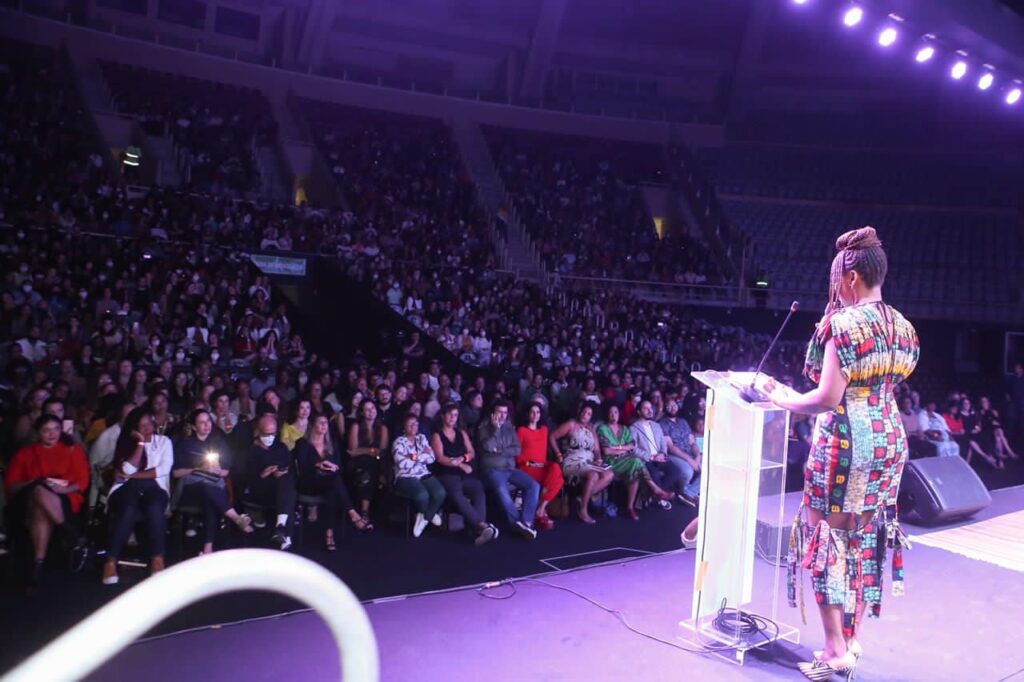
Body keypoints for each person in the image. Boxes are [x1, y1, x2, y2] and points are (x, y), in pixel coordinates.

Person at [765, 227, 919, 680]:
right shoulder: (904, 326)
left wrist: (782, 396)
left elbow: (826, 398)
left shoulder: (843, 325)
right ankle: (852, 638)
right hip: (889, 439)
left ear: (850, 277)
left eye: (837, 280)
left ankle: (834, 650)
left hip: (845, 445)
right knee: (862, 541)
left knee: (825, 542)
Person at [4, 415, 91, 585]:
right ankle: (70, 533)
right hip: (28, 498)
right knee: (38, 490)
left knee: (40, 511)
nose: (52, 434)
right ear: (38, 433)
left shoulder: (73, 449)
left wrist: (64, 489)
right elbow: (11, 486)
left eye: (56, 429)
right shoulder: (25, 453)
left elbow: (83, 481)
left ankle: (38, 565)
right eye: (46, 430)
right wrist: (33, 483)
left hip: (64, 496)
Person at [102, 407, 175, 585]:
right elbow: (126, 469)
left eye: (149, 423)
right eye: (142, 426)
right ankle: (110, 561)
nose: (147, 428)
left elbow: (163, 469)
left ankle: (157, 559)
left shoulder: (164, 441)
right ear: (134, 428)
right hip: (126, 488)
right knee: (128, 509)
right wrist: (140, 444)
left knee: (154, 507)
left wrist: (132, 476)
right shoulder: (126, 443)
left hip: (154, 487)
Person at [172, 409, 254, 554]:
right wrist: (197, 469)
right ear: (194, 426)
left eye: (208, 421)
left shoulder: (218, 442)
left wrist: (217, 470)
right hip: (190, 488)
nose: (206, 425)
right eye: (201, 422)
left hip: (212, 487)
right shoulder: (185, 444)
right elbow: (176, 473)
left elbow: (226, 471)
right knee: (206, 487)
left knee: (209, 496)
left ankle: (207, 549)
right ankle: (235, 517)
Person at [295, 414, 370, 549]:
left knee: (333, 487)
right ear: (313, 425)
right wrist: (318, 464)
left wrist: (333, 467)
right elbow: (302, 467)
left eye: (326, 423)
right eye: (320, 422)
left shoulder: (332, 443)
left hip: (328, 482)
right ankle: (353, 514)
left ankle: (329, 534)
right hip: (309, 482)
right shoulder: (302, 443)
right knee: (335, 483)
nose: (324, 425)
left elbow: (339, 467)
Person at [429, 403, 498, 545]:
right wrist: (460, 463)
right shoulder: (437, 435)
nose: (453, 418)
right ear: (443, 416)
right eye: (450, 414)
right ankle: (482, 526)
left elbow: (471, 452)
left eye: (455, 415)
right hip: (446, 473)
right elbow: (440, 458)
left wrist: (464, 458)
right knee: (456, 491)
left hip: (463, 472)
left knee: (477, 487)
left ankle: (480, 530)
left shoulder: (462, 433)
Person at [477, 400, 540, 539]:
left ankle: (526, 522)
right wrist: (496, 429)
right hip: (492, 470)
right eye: (500, 412)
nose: (503, 416)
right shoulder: (484, 427)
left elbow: (517, 449)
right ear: (493, 413)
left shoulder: (510, 428)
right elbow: (488, 446)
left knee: (534, 486)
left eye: (505, 412)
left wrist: (498, 450)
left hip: (509, 469)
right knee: (501, 487)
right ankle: (517, 523)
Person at [550, 403, 613, 524]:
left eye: (589, 413)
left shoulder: (592, 429)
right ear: (580, 412)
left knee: (609, 474)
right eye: (584, 411)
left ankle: (582, 498)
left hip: (589, 461)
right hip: (572, 460)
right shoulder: (571, 424)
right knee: (593, 475)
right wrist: (558, 454)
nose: (585, 415)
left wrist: (599, 458)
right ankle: (583, 510)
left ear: (591, 417)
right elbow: (552, 436)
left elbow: (597, 450)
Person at [242, 414, 297, 551]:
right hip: (260, 490)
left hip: (280, 490)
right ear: (259, 432)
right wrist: (263, 474)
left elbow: (290, 467)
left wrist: (281, 472)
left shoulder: (281, 447)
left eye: (273, 434)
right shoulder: (249, 452)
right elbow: (243, 480)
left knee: (287, 481)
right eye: (267, 434)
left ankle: (281, 528)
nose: (270, 437)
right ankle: (285, 532)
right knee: (288, 492)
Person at [392, 414, 447, 538]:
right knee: (422, 494)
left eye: (416, 423)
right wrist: (421, 455)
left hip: (423, 473)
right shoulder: (398, 442)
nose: (414, 426)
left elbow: (432, 458)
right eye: (410, 424)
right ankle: (431, 515)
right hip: (405, 476)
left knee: (440, 493)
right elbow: (402, 463)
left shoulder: (422, 438)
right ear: (404, 427)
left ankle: (424, 517)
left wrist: (412, 456)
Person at [515, 403, 563, 530]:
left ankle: (541, 508)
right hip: (528, 466)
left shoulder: (544, 430)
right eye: (532, 412)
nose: (535, 415)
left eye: (538, 412)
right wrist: (533, 464)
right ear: (528, 414)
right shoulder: (522, 430)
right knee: (558, 480)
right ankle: (541, 511)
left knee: (556, 469)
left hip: (542, 466)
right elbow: (517, 457)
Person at [630, 399, 684, 509]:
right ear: (639, 412)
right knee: (654, 475)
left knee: (677, 471)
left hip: (660, 457)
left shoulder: (656, 425)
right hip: (646, 459)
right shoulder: (634, 428)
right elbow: (633, 449)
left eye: (651, 408)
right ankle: (661, 496)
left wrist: (662, 453)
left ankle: (653, 495)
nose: (650, 410)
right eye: (646, 408)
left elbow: (663, 443)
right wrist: (651, 457)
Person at [346, 399, 388, 524]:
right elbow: (352, 450)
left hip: (378, 462)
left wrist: (366, 451)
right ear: (362, 412)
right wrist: (370, 451)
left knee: (374, 466)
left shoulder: (383, 427)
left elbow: (382, 451)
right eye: (367, 409)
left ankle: (368, 510)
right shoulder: (356, 426)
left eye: (373, 408)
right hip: (357, 463)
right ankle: (365, 511)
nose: (371, 412)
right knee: (367, 466)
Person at [657, 396, 702, 506]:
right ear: (665, 408)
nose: (672, 408)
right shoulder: (663, 424)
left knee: (708, 466)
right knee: (688, 471)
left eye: (674, 405)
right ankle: (686, 492)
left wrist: (697, 456)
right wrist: (690, 460)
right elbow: (671, 447)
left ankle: (689, 492)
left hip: (689, 453)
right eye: (669, 406)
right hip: (674, 455)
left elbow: (692, 442)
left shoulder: (683, 422)